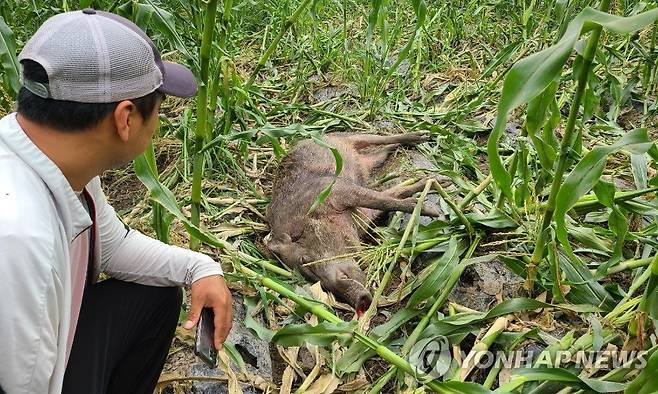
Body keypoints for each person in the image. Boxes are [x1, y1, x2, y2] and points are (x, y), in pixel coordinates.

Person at [0, 9, 233, 394]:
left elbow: (112, 248)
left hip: (44, 354)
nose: (160, 120)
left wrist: (200, 267)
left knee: (156, 294)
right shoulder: (22, 240)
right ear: (125, 118)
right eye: (158, 105)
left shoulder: (57, 160)